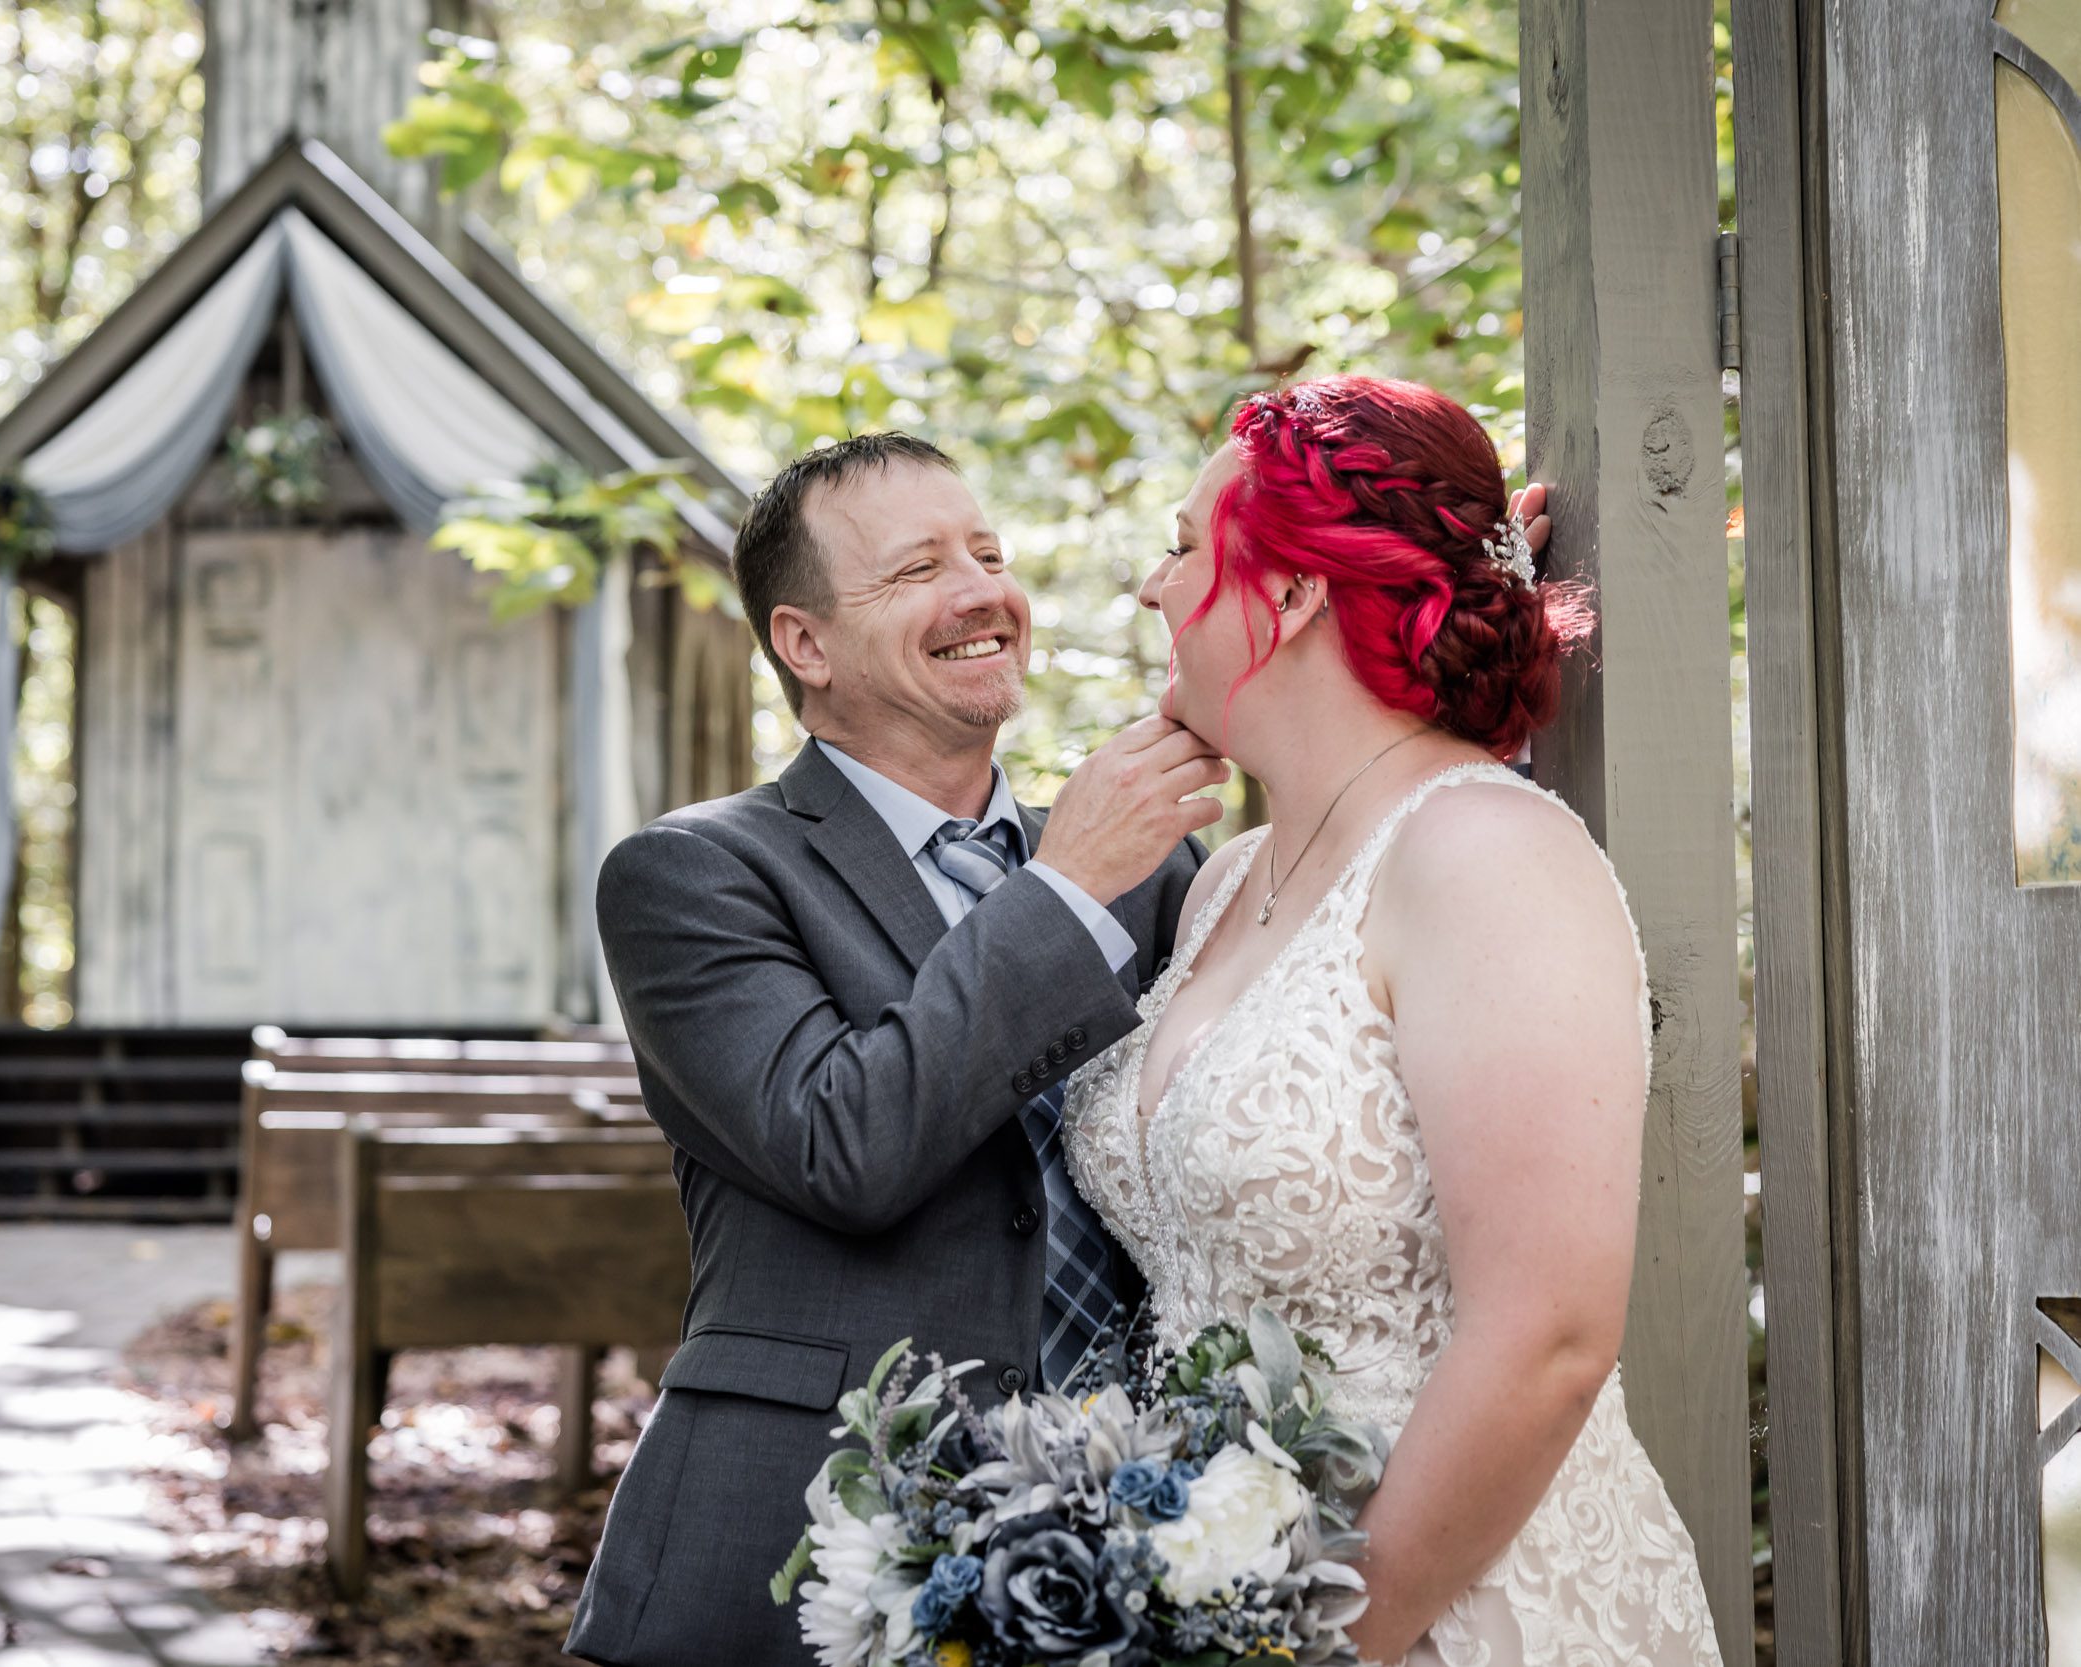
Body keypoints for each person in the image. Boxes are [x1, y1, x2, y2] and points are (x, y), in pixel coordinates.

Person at [1061, 376, 1721, 1665]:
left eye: (1186, 545)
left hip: (1449, 1609)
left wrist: (1320, 1639)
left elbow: (1548, 1338)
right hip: (1212, 1599)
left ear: (1296, 591)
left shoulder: (1483, 854)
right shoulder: (1224, 885)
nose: (1151, 586)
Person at [564, 432, 1221, 1666]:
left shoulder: (1154, 867)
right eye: (917, 568)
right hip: (797, 1541)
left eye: (988, 552)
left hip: (1125, 1549)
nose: (982, 592)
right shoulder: (694, 872)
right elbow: (841, 1143)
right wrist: (1064, 887)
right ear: (804, 643)